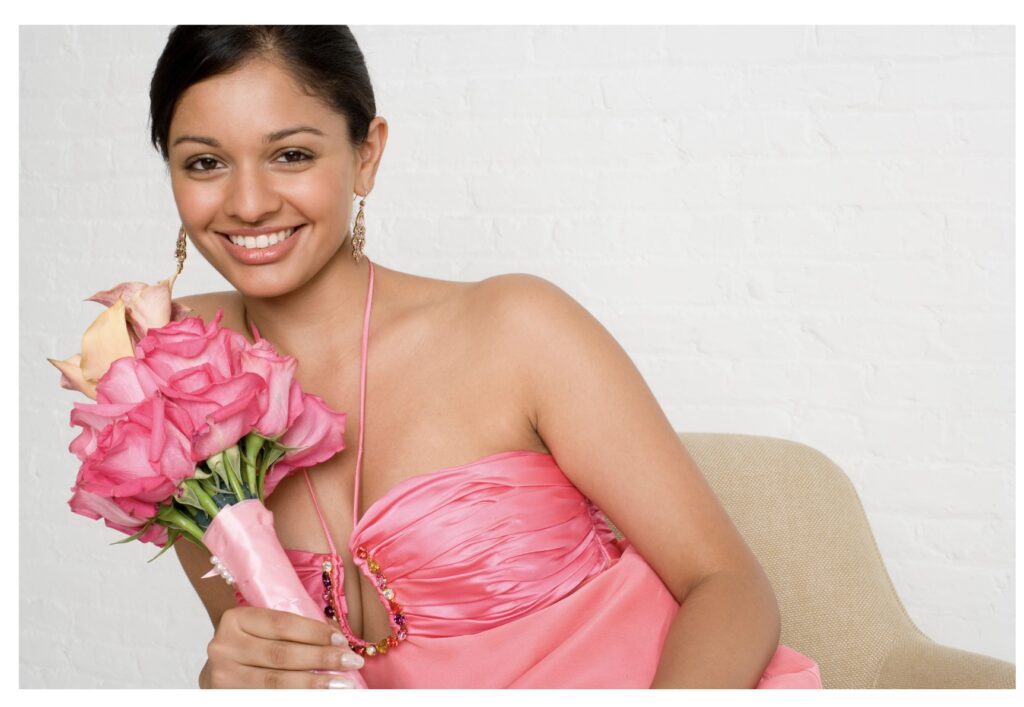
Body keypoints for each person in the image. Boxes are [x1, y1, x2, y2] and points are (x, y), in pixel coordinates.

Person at [151, 25, 823, 689]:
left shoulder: (516, 328)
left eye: (291, 154)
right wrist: (226, 674)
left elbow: (729, 585)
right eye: (205, 162)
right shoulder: (171, 384)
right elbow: (269, 664)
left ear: (366, 155)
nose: (248, 203)